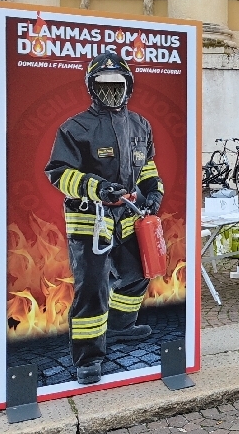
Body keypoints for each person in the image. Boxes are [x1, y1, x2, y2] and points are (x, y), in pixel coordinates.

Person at [45, 52, 165, 386]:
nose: (111, 90)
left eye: (117, 84)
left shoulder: (141, 125)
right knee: (93, 290)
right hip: (90, 220)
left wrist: (153, 191)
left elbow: (147, 167)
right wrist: (96, 188)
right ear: (91, 87)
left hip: (128, 216)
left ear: (129, 85)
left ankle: (121, 327)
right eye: (103, 84)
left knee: (140, 272)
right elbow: (58, 173)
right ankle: (88, 359)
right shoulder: (75, 128)